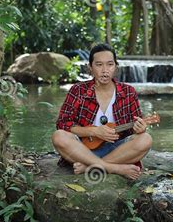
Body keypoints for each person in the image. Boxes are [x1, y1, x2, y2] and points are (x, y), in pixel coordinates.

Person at [52, 43, 152, 180]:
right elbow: (62, 124)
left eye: (110, 64)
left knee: (145, 139)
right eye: (99, 65)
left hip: (116, 150)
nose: (105, 70)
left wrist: (140, 129)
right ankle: (113, 168)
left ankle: (89, 166)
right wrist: (94, 131)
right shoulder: (78, 90)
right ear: (90, 68)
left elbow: (133, 130)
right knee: (59, 136)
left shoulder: (128, 92)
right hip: (82, 150)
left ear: (115, 67)